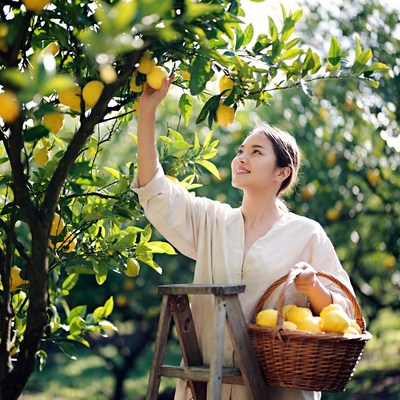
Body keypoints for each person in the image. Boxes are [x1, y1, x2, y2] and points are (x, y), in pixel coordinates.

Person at [131, 77, 355, 400]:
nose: (241, 158)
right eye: (240, 151)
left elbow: (343, 316)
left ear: (282, 172)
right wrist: (147, 111)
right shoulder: (212, 221)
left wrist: (312, 287)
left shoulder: (307, 234)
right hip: (208, 389)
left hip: (276, 393)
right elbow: (155, 191)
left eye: (256, 151)